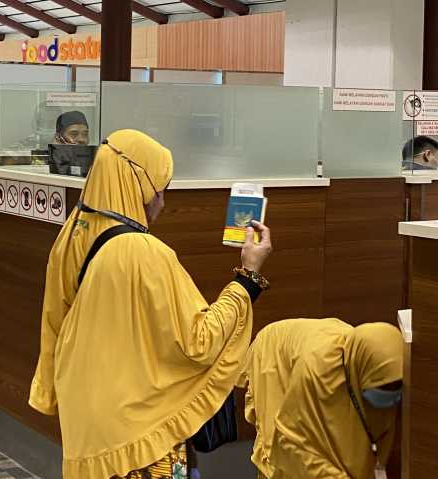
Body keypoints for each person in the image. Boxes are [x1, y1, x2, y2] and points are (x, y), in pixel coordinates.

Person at [28, 129, 273, 479]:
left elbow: (53, 323)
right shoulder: (144, 253)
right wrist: (247, 277)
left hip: (84, 413)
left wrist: (49, 392)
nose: (162, 201)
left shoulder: (72, 233)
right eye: (161, 188)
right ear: (139, 185)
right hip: (138, 425)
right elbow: (198, 341)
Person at [237, 319, 403, 479]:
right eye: (383, 387)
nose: (390, 394)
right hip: (275, 359)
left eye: (395, 386)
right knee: (274, 457)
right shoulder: (314, 370)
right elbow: (291, 439)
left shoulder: (365, 362)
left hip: (316, 350)